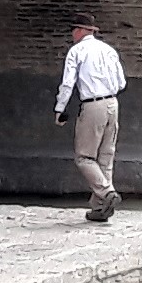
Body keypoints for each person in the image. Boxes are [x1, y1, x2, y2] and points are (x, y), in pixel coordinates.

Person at [55, 14, 125, 224]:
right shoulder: (109, 51)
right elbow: (121, 82)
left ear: (80, 30)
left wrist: (60, 109)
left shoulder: (77, 51)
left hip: (93, 104)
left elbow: (68, 84)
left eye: (73, 30)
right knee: (106, 156)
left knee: (84, 157)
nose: (72, 34)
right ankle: (100, 208)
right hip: (113, 103)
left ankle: (107, 193)